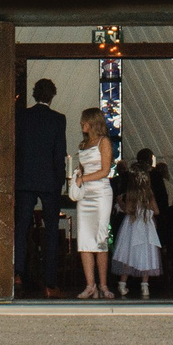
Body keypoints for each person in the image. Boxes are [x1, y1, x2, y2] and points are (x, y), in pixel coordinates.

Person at [13, 78, 67, 295]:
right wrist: (60, 180)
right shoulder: (58, 119)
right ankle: (50, 283)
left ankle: (17, 273)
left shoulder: (22, 116)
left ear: (35, 94)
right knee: (51, 229)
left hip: (25, 178)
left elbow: (16, 148)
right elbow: (59, 153)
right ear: (52, 96)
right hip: (49, 180)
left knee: (21, 227)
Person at [110, 148, 166, 298]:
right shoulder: (149, 195)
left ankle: (122, 284)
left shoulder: (131, 194)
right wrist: (147, 212)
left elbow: (128, 210)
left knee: (127, 255)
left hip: (132, 226)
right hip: (146, 226)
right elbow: (157, 211)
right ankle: (145, 286)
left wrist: (120, 203)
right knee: (146, 255)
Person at [72, 107, 116, 298]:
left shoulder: (103, 142)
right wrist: (77, 176)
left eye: (85, 121)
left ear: (92, 122)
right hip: (85, 195)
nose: (82, 124)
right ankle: (90, 285)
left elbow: (105, 171)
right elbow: (82, 167)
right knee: (84, 239)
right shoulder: (84, 144)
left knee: (100, 239)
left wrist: (83, 179)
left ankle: (104, 285)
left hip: (100, 194)